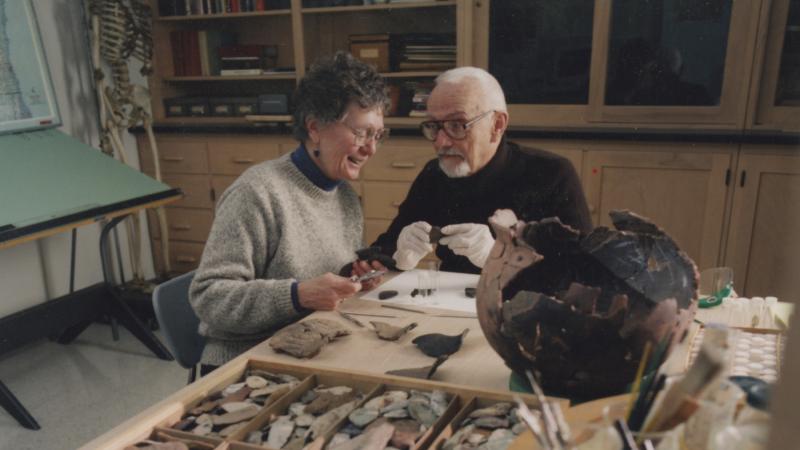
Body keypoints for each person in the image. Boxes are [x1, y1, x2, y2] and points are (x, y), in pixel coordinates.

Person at [190, 52, 390, 371]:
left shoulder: (345, 196)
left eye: (377, 134)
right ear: (314, 128)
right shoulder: (258, 191)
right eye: (362, 132)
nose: (371, 148)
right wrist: (297, 296)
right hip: (246, 361)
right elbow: (209, 298)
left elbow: (321, 280)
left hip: (313, 347)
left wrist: (351, 279)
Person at [372, 67, 592, 274]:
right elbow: (379, 251)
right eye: (433, 126)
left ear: (497, 125)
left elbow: (582, 275)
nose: (441, 142)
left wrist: (504, 259)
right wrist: (396, 256)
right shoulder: (435, 174)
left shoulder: (552, 174)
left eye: (457, 125)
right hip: (448, 306)